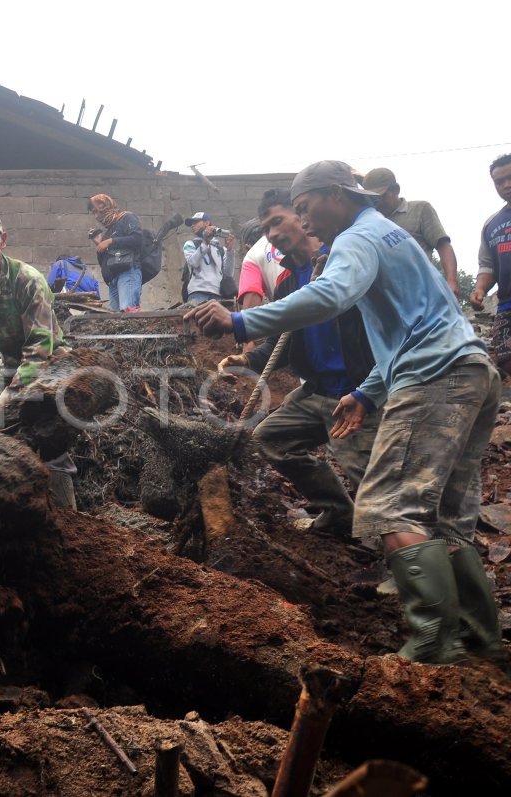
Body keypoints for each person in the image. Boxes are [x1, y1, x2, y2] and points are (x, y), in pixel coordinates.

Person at [187, 160, 504, 665]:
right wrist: (369, 391)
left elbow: (333, 296)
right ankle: (482, 641)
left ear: (337, 194)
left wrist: (242, 321)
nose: (304, 220)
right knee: (444, 518)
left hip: (434, 378)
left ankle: (433, 643)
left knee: (388, 506)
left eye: (307, 209)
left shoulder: (357, 238)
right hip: (470, 369)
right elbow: (414, 327)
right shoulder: (390, 235)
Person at [218, 189, 379, 539]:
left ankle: (411, 558)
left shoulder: (344, 260)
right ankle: (338, 513)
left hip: (358, 391)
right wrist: (247, 357)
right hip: (318, 392)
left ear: (303, 217)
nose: (273, 234)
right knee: (269, 439)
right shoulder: (289, 281)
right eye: (266, 229)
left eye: (278, 221)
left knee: (369, 474)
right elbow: (284, 342)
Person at [0, 209, 76, 508]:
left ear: (2, 240)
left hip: (52, 367)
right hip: (12, 370)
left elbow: (39, 348)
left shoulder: (28, 281)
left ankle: (67, 519)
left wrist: (7, 400)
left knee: (44, 432)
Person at [363, 168, 461, 299]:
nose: (377, 202)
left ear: (396, 190)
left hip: (421, 292)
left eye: (382, 196)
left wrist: (452, 281)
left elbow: (443, 245)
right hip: (386, 297)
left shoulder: (420, 209)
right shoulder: (369, 222)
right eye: (372, 198)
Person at [470, 153, 511, 372]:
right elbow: (487, 265)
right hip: (506, 306)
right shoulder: (492, 224)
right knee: (506, 361)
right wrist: (480, 289)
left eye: (510, 177)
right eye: (499, 181)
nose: (506, 185)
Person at [88, 194, 145, 311]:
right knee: (116, 322)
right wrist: (100, 244)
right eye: (93, 213)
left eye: (97, 211)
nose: (96, 216)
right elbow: (104, 263)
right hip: (113, 279)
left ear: (105, 205)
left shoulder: (127, 217)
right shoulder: (109, 231)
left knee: (128, 314)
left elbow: (138, 239)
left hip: (128, 272)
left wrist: (110, 241)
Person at [181, 212, 234, 305]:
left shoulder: (219, 248)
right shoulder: (190, 244)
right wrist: (205, 242)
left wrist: (229, 251)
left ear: (207, 223)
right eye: (191, 224)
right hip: (198, 292)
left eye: (196, 222)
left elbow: (228, 273)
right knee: (198, 319)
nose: (192, 226)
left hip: (218, 293)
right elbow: (193, 262)